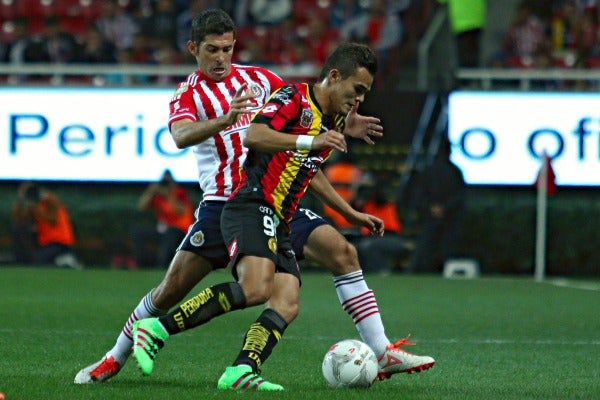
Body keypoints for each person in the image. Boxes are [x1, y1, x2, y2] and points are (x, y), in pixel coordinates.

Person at [74, 9, 433, 388]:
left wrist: (340, 127)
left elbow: (304, 145)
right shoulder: (190, 93)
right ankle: (114, 357)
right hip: (225, 202)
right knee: (173, 288)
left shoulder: (262, 80)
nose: (221, 58)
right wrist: (225, 121)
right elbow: (181, 136)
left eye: (227, 49)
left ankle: (372, 351)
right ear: (194, 48)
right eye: (212, 50)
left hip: (279, 203)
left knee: (335, 258)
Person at [408, 141, 466, 274]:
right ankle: (443, 270)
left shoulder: (428, 170)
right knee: (447, 245)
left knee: (427, 244)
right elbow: (460, 196)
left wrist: (430, 207)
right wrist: (445, 207)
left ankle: (420, 270)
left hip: (431, 215)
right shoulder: (456, 171)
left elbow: (419, 195)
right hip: (450, 216)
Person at [130, 169, 194, 269]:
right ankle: (144, 264)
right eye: (163, 182)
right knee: (138, 232)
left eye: (167, 182)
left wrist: (169, 195)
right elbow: (141, 207)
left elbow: (179, 211)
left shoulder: (180, 193)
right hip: (162, 230)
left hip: (180, 231)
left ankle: (161, 266)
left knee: (171, 233)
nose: (165, 185)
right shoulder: (158, 196)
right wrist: (151, 191)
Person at [11, 181, 81, 269]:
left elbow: (53, 220)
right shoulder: (36, 205)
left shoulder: (50, 201)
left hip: (59, 241)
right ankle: (60, 261)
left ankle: (66, 262)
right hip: (45, 243)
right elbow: (20, 220)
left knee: (41, 262)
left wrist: (37, 209)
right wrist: (20, 201)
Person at [437, 0, 486, 68]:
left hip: (462, 22)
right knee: (473, 55)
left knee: (465, 60)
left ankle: (467, 76)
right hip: (477, 19)